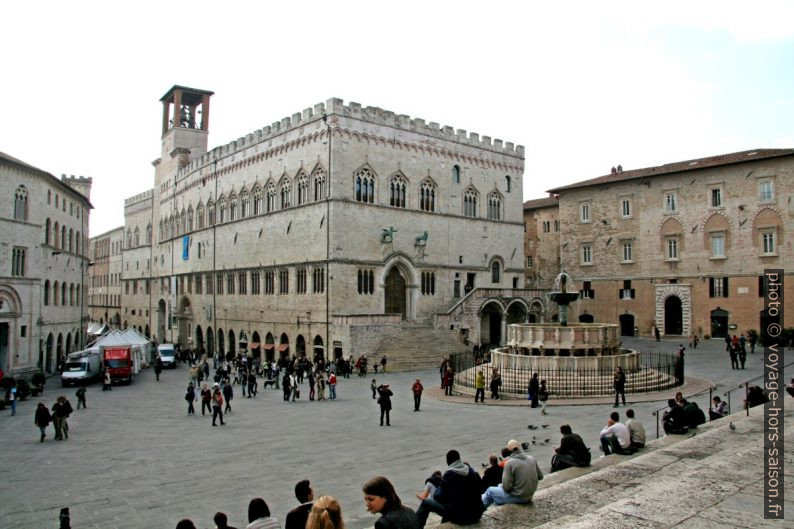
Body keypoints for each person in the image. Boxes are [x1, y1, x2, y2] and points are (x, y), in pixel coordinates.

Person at [415, 449, 484, 528]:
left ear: (448, 462)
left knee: (426, 502)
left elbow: (438, 496)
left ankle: (415, 527)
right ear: (459, 459)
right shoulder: (471, 471)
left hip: (462, 518)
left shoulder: (449, 474)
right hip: (477, 514)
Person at [482, 439, 543, 508]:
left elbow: (506, 488)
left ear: (508, 450)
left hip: (519, 497)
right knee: (499, 487)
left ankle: (477, 511)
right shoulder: (531, 458)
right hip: (530, 494)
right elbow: (540, 476)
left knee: (490, 491)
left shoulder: (509, 463)